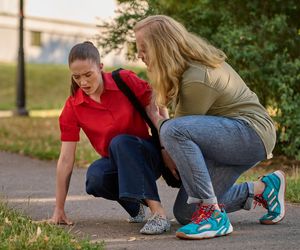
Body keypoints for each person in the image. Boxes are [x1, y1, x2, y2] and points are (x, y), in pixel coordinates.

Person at [133, 15, 286, 240]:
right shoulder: (184, 69)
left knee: (172, 130)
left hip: (251, 134)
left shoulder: (197, 77)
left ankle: (213, 216)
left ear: (161, 46)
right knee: (186, 213)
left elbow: (177, 133)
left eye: (143, 48)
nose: (139, 55)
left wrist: (157, 121)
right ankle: (264, 189)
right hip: (229, 138)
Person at [48, 41, 171, 235]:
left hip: (148, 155)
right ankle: (134, 207)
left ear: (100, 67)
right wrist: (59, 209)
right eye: (77, 77)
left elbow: (158, 106)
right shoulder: (74, 106)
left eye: (88, 74)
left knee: (121, 142)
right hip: (117, 162)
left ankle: (159, 215)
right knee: (95, 178)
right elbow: (65, 159)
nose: (84, 82)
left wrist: (167, 149)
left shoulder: (124, 80)